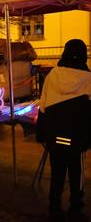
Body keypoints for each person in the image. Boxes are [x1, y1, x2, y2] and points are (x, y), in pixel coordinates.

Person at [36, 39, 91, 222]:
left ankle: (54, 207)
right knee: (76, 173)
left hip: (55, 134)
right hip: (77, 137)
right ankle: (75, 208)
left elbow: (42, 106)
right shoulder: (88, 79)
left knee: (57, 172)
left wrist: (41, 134)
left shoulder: (52, 75)